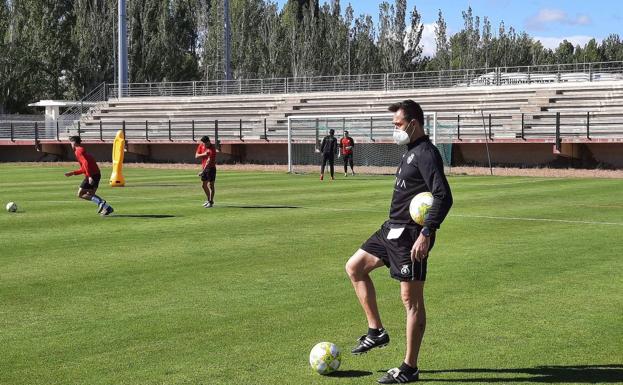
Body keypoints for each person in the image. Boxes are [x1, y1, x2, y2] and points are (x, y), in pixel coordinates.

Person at [345, 100, 453, 384]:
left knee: (411, 301)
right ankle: (376, 331)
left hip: (411, 237)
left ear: (413, 123)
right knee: (354, 267)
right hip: (390, 229)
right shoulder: (410, 152)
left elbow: (443, 196)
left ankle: (409, 367)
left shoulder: (427, 153)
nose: (395, 129)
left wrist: (427, 233)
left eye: (398, 124)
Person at [64, 136, 114, 216]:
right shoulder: (80, 150)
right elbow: (84, 168)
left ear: (74, 142)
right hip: (96, 174)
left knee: (80, 194)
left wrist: (90, 176)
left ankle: (101, 203)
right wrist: (73, 173)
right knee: (90, 194)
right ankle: (107, 208)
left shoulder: (78, 151)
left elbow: (85, 164)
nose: (70, 145)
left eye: (70, 143)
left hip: (92, 174)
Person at [195, 135, 217, 208]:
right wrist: (204, 154)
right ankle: (208, 200)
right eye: (203, 143)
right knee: (204, 185)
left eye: (205, 143)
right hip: (204, 168)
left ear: (208, 142)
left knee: (211, 185)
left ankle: (211, 202)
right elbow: (196, 156)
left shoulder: (212, 149)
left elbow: (208, 161)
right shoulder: (201, 145)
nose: (204, 144)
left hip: (211, 168)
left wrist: (202, 172)